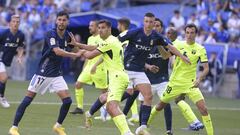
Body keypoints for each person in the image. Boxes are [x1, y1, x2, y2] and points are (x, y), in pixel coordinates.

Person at [8, 11, 82, 135]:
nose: (61, 22)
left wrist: (75, 45)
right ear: (56, 21)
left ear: (67, 22)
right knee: (28, 99)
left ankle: (58, 126)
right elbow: (57, 51)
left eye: (64, 20)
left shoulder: (68, 36)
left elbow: (75, 50)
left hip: (56, 74)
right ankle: (14, 128)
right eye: (59, 19)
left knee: (68, 101)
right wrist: (74, 54)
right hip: (43, 72)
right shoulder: (50, 34)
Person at [118, 12, 190, 135]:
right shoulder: (135, 32)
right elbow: (116, 41)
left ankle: (143, 126)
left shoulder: (156, 37)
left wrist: (182, 56)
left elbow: (170, 48)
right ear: (143, 21)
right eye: (147, 21)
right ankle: (106, 104)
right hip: (126, 68)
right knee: (128, 93)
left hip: (141, 71)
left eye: (151, 22)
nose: (149, 24)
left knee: (148, 96)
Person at [70, 19, 134, 135]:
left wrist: (77, 50)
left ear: (109, 29)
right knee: (105, 98)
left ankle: (127, 133)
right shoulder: (112, 40)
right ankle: (89, 114)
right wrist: (77, 44)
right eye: (99, 28)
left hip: (117, 77)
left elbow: (89, 55)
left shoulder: (108, 42)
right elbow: (93, 47)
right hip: (119, 76)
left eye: (103, 28)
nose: (100, 30)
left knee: (111, 106)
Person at [148, 24, 214, 135]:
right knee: (160, 105)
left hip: (191, 84)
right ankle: (144, 126)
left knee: (203, 109)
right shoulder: (178, 44)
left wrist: (199, 79)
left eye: (192, 32)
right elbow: (165, 56)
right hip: (175, 83)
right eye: (187, 32)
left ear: (196, 34)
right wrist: (159, 45)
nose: (189, 35)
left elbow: (206, 68)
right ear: (185, 33)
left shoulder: (200, 49)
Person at [70, 20, 108, 115]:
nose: (89, 27)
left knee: (104, 92)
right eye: (89, 25)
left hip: (99, 68)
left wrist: (82, 50)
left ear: (97, 27)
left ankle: (107, 111)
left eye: (91, 26)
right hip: (88, 67)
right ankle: (79, 107)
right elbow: (88, 53)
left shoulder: (101, 38)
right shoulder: (90, 38)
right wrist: (84, 67)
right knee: (78, 84)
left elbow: (93, 50)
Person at [0, 15, 25, 108]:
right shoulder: (3, 33)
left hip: (7, 61)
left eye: (17, 22)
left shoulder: (21, 35)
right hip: (0, 59)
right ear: (10, 23)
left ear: (19, 23)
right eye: (13, 21)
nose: (15, 23)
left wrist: (19, 57)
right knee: (4, 77)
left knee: (3, 79)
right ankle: (1, 97)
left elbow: (21, 47)